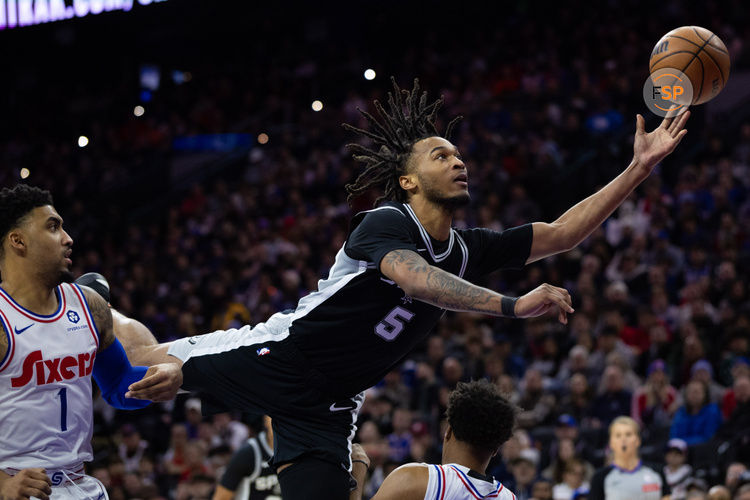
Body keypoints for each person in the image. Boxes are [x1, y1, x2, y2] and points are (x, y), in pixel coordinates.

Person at [126, 80, 690, 500]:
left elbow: (563, 234)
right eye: (441, 155)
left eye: (459, 153)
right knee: (138, 369)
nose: (459, 160)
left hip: (329, 406)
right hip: (283, 357)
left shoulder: (469, 247)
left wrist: (638, 169)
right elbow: (419, 280)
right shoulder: (386, 222)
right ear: (408, 180)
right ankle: (93, 308)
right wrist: (511, 305)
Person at [0, 185, 179, 500]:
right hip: (19, 488)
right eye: (53, 227)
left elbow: (118, 385)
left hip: (81, 485)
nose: (68, 239)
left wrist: (163, 379)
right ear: (18, 241)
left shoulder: (89, 305)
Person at [367, 380, 518, 500]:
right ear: (496, 450)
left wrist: (359, 471)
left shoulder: (415, 479)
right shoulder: (509, 497)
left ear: (449, 431)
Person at [589, 416, 670, 500]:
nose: (623, 439)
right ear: (611, 443)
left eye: (628, 434)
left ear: (638, 440)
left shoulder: (657, 472)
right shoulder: (600, 477)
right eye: (618, 435)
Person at [212, 416, 280, 500]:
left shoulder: (298, 451)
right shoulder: (249, 453)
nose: (280, 422)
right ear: (265, 420)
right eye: (275, 416)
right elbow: (221, 497)